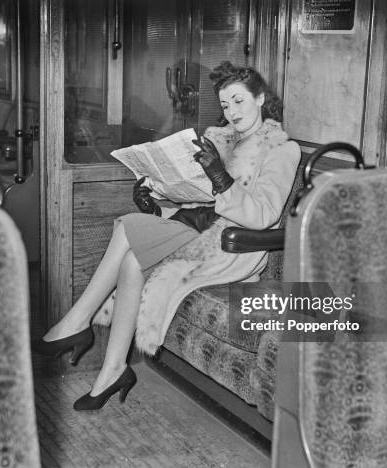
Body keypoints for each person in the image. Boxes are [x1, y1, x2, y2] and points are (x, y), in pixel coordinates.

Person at [32, 61, 301, 411]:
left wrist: (221, 178)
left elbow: (263, 215)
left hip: (231, 245)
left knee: (127, 227)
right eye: (224, 105)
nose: (231, 112)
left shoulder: (281, 149)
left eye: (238, 101)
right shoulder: (217, 140)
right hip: (194, 227)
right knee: (131, 259)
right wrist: (157, 197)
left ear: (261, 99)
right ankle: (113, 369)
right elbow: (196, 200)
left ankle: (77, 322)